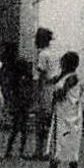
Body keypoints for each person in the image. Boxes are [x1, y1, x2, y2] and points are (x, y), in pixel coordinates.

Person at [39, 50, 84, 168]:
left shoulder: (72, 78)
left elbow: (61, 92)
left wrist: (53, 94)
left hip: (69, 115)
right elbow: (54, 80)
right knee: (58, 144)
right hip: (63, 114)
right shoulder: (65, 76)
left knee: (66, 145)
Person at [0, 41, 35, 159]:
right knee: (21, 125)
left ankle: (11, 150)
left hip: (18, 96)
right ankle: (19, 150)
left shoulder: (10, 65)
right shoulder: (17, 63)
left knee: (17, 125)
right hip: (21, 97)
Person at [31, 28, 60, 158]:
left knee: (41, 121)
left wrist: (36, 95)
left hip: (45, 89)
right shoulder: (54, 53)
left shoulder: (42, 55)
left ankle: (40, 150)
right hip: (53, 87)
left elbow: (40, 74)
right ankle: (49, 149)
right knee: (50, 120)